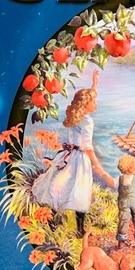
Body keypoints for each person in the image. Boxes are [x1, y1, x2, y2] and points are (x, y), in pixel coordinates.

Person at [32, 69, 114, 236]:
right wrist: (97, 164)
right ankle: (79, 229)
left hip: (68, 156)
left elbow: (85, 100)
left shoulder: (76, 115)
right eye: (93, 101)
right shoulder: (87, 121)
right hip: (80, 159)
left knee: (60, 186)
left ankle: (53, 222)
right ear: (85, 104)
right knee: (80, 191)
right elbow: (87, 146)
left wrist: (94, 85)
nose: (96, 104)